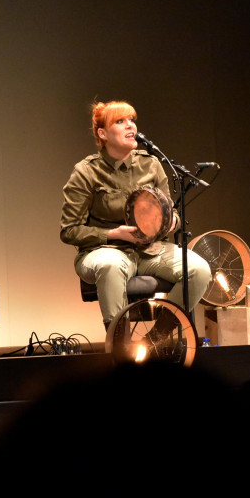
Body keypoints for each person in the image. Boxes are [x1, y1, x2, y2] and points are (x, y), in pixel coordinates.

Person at [60, 100, 211, 329]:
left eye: (132, 120)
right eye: (120, 121)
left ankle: (159, 340)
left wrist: (170, 222)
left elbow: (173, 214)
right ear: (103, 133)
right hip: (106, 251)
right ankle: (120, 346)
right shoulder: (86, 171)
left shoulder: (151, 165)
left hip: (151, 250)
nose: (130, 126)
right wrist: (114, 234)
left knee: (199, 270)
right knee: (110, 265)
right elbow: (69, 231)